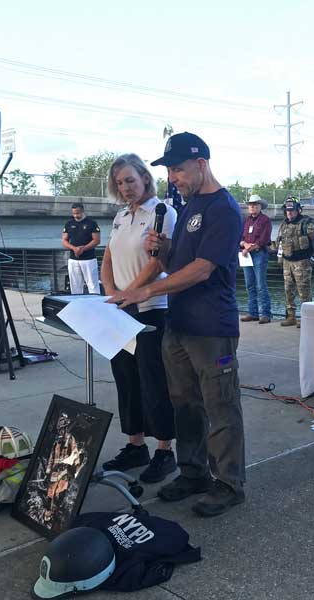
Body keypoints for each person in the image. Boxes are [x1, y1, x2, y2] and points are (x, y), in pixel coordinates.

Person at [109, 132, 246, 517]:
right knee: (185, 404)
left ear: (201, 164)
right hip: (179, 323)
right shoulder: (186, 206)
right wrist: (165, 252)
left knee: (221, 406)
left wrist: (144, 290)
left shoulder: (224, 209)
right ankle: (193, 471)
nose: (173, 178)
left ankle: (229, 483)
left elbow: (203, 271)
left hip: (211, 328)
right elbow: (181, 265)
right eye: (169, 171)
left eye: (179, 170)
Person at [100, 153, 177, 484]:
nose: (125, 188)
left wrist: (128, 293)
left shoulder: (162, 213)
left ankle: (164, 449)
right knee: (126, 379)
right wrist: (111, 293)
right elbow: (107, 256)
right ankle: (135, 444)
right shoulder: (120, 216)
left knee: (154, 381)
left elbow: (158, 262)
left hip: (151, 308)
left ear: (145, 177)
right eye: (119, 183)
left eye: (130, 180)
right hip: (120, 309)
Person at [277, 197, 314, 327]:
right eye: (287, 210)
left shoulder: (307, 224)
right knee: (288, 290)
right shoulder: (284, 224)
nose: (289, 213)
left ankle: (306, 318)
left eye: (292, 210)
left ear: (298, 210)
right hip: (287, 262)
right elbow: (280, 243)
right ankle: (291, 316)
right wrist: (279, 256)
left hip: (302, 262)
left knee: (304, 291)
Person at [239, 194, 272, 324]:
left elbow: (264, 239)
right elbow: (240, 237)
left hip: (259, 254)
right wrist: (244, 245)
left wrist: (248, 248)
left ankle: (266, 314)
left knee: (260, 285)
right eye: (250, 205)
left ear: (260, 206)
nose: (252, 207)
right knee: (250, 285)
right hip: (247, 255)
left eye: (255, 205)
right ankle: (253, 313)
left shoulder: (265, 220)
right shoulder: (246, 220)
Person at [62, 202, 101, 294]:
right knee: (75, 286)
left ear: (82, 211)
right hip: (73, 260)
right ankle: (77, 304)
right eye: (74, 213)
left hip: (89, 260)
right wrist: (74, 248)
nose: (76, 215)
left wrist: (83, 249)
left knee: (92, 285)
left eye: (78, 213)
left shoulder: (92, 223)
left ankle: (95, 304)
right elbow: (64, 240)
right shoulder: (68, 224)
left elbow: (96, 240)